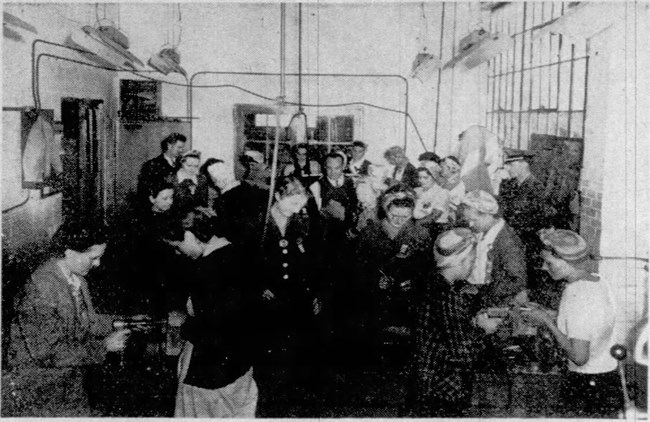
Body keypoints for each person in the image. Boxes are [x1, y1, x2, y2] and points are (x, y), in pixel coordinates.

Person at [2, 224, 130, 417]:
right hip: (39, 389)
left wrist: (118, 322)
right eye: (93, 258)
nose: (98, 264)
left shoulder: (76, 279)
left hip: (68, 382)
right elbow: (50, 353)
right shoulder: (42, 288)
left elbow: (84, 320)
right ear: (69, 253)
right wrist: (104, 347)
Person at [164, 208, 258, 418]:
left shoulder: (206, 269)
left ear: (190, 235)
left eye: (178, 246)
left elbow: (211, 325)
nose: (178, 252)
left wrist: (184, 325)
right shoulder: (239, 253)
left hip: (209, 374)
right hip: (241, 368)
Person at [521, 229, 622, 417]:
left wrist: (546, 322)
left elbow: (579, 357)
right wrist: (550, 314)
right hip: (608, 378)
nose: (544, 267)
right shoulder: (598, 282)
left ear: (567, 262)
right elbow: (585, 322)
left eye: (549, 263)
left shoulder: (576, 295)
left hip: (586, 385)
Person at [408, 228, 501, 417]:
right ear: (462, 260)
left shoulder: (430, 283)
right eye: (472, 260)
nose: (473, 265)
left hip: (424, 382)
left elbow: (443, 332)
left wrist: (470, 323)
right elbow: (462, 354)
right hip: (444, 389)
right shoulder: (449, 297)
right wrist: (484, 330)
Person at [253, 176, 323, 413]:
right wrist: (258, 286)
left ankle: (292, 401)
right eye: (293, 204)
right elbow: (243, 262)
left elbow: (309, 262)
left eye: (301, 206)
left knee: (296, 350)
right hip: (267, 299)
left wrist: (314, 294)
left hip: (296, 297)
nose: (298, 210)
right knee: (268, 351)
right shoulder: (257, 224)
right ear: (278, 197)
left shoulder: (300, 223)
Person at [356, 189, 432, 366]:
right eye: (394, 215)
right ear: (386, 210)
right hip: (376, 295)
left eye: (404, 216)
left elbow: (427, 267)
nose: (398, 220)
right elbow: (359, 265)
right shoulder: (370, 232)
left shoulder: (420, 234)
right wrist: (374, 280)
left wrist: (413, 281)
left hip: (407, 296)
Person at [498, 148, 555, 301]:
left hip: (528, 245)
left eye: (511, 165)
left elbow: (542, 220)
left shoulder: (536, 188)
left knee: (526, 286)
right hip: (512, 241)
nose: (507, 169)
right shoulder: (510, 185)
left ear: (523, 165)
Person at [461, 190, 528, 308]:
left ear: (487, 215)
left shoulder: (507, 242)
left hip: (494, 302)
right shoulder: (482, 231)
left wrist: (483, 291)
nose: (470, 225)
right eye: (468, 220)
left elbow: (517, 281)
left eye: (473, 220)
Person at [207, 159, 267, 248]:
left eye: (214, 181)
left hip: (238, 245)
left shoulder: (224, 200)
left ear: (219, 180)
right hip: (258, 239)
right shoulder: (248, 187)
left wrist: (212, 218)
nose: (215, 185)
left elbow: (226, 229)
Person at [137, 132, 187, 205]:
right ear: (169, 146)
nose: (181, 150)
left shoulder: (183, 164)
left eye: (182, 148)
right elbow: (144, 192)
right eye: (179, 147)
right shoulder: (152, 165)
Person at [172, 149, 209, 216]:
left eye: (196, 166)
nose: (192, 169)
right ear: (182, 163)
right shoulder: (172, 180)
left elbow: (204, 203)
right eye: (189, 165)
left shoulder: (202, 179)